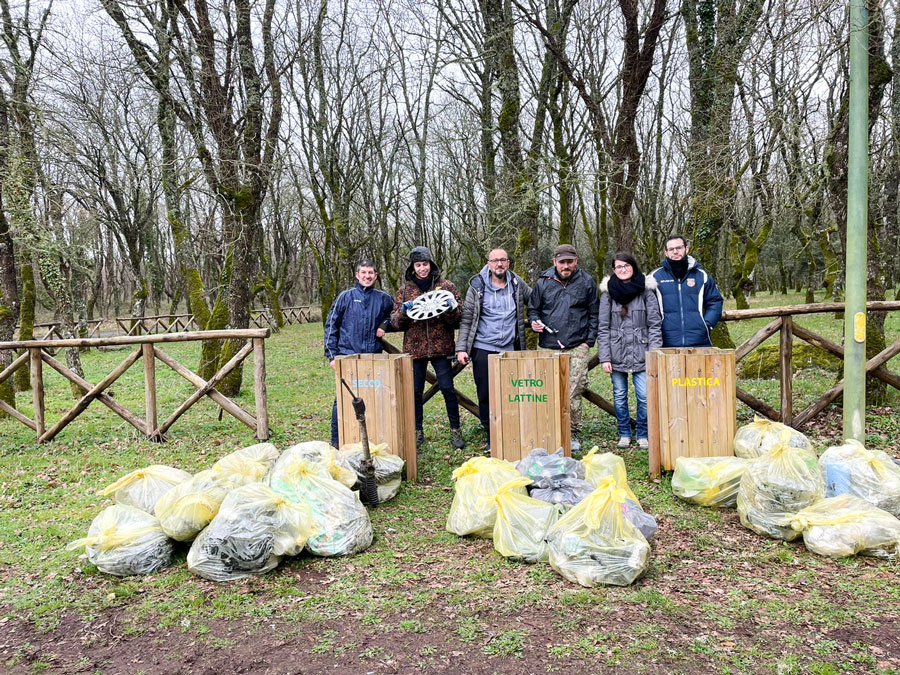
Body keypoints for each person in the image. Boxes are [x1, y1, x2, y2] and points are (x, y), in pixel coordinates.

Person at [456, 248, 531, 451]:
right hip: (483, 348)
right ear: (488, 263)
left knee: (513, 393)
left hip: (510, 349)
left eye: (503, 260)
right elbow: (467, 319)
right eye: (495, 260)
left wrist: (535, 318)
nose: (499, 264)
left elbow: (534, 301)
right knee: (486, 395)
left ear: (508, 263)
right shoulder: (477, 286)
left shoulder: (517, 283)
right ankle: (492, 434)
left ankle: (512, 432)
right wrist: (461, 348)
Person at [391, 246, 465, 449]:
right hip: (415, 349)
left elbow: (459, 316)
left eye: (425, 264)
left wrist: (451, 309)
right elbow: (396, 323)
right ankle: (417, 432)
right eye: (418, 265)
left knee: (448, 389)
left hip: (442, 347)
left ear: (431, 264)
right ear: (412, 267)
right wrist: (405, 312)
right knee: (415, 392)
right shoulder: (405, 291)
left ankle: (455, 431)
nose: (422, 268)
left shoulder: (446, 286)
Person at [528, 244, 599, 453]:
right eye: (562, 262)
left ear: (576, 261)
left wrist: (588, 342)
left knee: (573, 392)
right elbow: (533, 309)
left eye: (570, 262)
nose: (566, 266)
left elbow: (594, 314)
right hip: (549, 347)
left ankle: (572, 432)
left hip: (577, 346)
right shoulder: (543, 282)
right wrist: (534, 322)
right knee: (546, 392)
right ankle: (548, 430)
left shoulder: (586, 282)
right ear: (554, 262)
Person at [323, 260, 395, 447]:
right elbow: (331, 325)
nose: (367, 276)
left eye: (371, 273)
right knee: (343, 400)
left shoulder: (384, 298)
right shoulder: (345, 297)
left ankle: (371, 440)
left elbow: (395, 315)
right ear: (357, 275)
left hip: (373, 358)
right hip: (347, 357)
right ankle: (337, 442)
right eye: (363, 272)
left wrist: (384, 325)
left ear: (376, 276)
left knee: (373, 397)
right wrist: (332, 356)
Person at [597, 253, 663, 449]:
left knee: (644, 396)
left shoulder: (646, 292)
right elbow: (603, 327)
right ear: (613, 270)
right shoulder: (608, 294)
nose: (623, 269)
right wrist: (604, 357)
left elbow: (655, 325)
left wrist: (653, 354)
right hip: (616, 352)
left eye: (626, 265)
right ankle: (624, 432)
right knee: (619, 394)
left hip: (642, 353)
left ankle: (642, 432)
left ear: (633, 267)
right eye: (618, 267)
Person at [648, 235, 724, 347]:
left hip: (699, 342)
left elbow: (715, 301)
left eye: (679, 248)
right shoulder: (655, 277)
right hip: (666, 343)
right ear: (666, 253)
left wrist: (707, 324)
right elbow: (648, 307)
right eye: (671, 249)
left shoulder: (701, 276)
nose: (675, 252)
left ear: (686, 249)